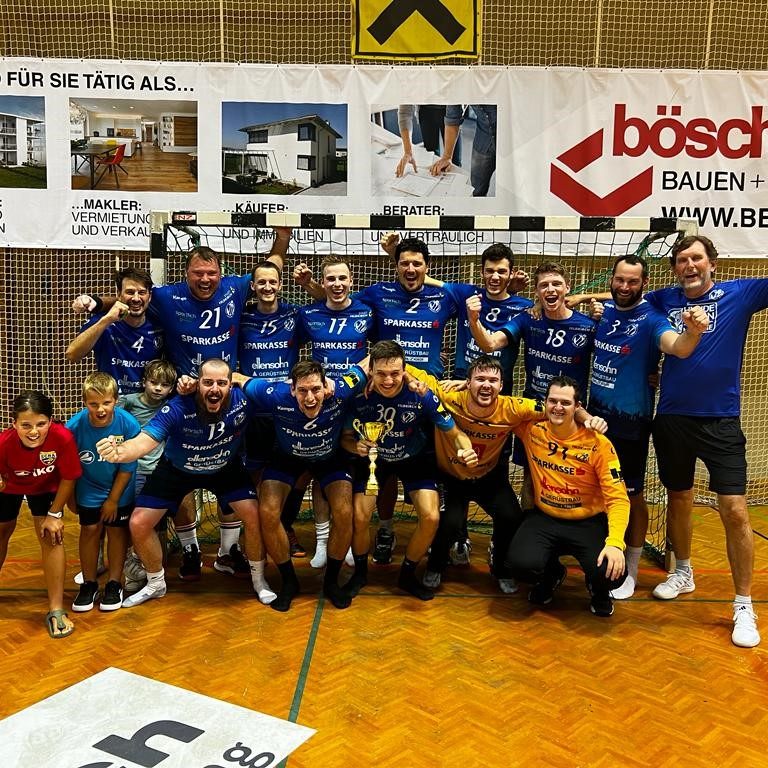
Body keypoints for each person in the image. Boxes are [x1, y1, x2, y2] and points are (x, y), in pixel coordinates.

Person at [74, 227, 292, 578]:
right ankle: (190, 549)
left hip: (227, 396)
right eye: (197, 273)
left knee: (230, 469)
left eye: (211, 273)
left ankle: (227, 550)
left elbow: (270, 265)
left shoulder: (236, 287)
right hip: (185, 397)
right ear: (186, 275)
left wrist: (281, 239)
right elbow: (133, 298)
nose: (205, 279)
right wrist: (94, 303)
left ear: (220, 274)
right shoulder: (168, 296)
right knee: (181, 469)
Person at [645, 234, 767, 648]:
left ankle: (743, 604)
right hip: (673, 418)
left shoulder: (742, 292)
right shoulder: (663, 300)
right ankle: (683, 571)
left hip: (721, 421)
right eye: (682, 260)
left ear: (712, 263)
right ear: (676, 268)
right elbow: (620, 299)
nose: (689, 265)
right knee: (678, 497)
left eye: (696, 258)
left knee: (734, 510)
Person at [406, 356, 608, 591]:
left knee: (511, 516)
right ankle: (436, 565)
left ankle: (500, 565)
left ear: (501, 386)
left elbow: (557, 406)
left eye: (493, 380)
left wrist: (588, 419)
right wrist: (368, 365)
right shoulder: (448, 395)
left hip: (488, 476)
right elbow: (409, 371)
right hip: (452, 477)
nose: (486, 385)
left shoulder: (512, 407)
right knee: (448, 521)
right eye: (480, 379)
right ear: (467, 382)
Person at [96, 358, 274, 608]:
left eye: (222, 383)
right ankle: (156, 583)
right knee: (138, 523)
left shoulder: (243, 401)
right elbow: (145, 441)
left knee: (254, 515)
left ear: (231, 385)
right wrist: (120, 452)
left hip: (225, 467)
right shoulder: (178, 407)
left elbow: (278, 394)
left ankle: (259, 580)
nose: (214, 389)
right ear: (197, 384)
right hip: (177, 469)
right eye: (208, 382)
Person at [586, 254, 709, 599]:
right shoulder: (605, 312)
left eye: (633, 282)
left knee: (632, 495)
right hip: (594, 418)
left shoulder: (652, 319)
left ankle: (632, 569)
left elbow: (678, 348)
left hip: (631, 423)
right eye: (620, 280)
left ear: (644, 284)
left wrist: (693, 332)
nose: (625, 287)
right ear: (611, 280)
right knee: (598, 490)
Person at [341, 341, 477, 601]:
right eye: (381, 374)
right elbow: (345, 437)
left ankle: (407, 574)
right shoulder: (359, 395)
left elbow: (455, 433)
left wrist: (466, 449)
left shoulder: (421, 393)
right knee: (358, 517)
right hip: (373, 460)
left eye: (395, 373)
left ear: (405, 371)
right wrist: (354, 445)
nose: (388, 380)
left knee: (431, 517)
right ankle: (360, 574)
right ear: (370, 372)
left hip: (415, 458)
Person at [237, 359, 368, 611]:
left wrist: (408, 378)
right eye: (303, 391)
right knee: (267, 512)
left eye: (316, 389)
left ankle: (331, 583)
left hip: (330, 458)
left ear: (325, 387)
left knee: (344, 511)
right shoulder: (273, 394)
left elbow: (372, 360)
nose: (310, 397)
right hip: (288, 457)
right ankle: (289, 582)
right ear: (292, 389)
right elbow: (237, 377)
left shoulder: (342, 387)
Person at [468, 262, 597, 512]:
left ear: (567, 288)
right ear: (536, 293)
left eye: (556, 284)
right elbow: (490, 344)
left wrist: (652, 373)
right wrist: (474, 320)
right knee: (531, 478)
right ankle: (530, 538)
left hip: (571, 416)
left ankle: (563, 533)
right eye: (544, 285)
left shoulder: (588, 326)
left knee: (570, 479)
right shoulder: (529, 319)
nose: (550, 289)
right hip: (534, 413)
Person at [505, 376, 630, 618]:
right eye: (553, 401)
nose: (558, 407)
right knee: (520, 565)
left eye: (565, 402)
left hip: (587, 521)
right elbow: (502, 408)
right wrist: (466, 386)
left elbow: (618, 499)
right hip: (546, 518)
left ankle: (599, 589)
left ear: (577, 407)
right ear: (545, 403)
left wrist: (615, 542)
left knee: (610, 572)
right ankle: (552, 574)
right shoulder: (532, 431)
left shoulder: (598, 444)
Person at [292, 254, 375, 567]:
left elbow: (379, 353)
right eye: (331, 279)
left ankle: (350, 538)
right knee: (320, 471)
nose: (337, 284)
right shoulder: (308, 313)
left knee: (355, 467)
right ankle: (323, 542)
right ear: (322, 282)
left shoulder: (367, 312)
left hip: (357, 402)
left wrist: (359, 379)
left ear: (352, 280)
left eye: (343, 278)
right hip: (320, 403)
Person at [0, 391, 82, 638]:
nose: (33, 432)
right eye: (25, 425)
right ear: (14, 424)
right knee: (2, 531)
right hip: (9, 487)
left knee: (50, 535)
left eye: (41, 424)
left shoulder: (63, 438)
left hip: (46, 488)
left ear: (51, 421)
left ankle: (56, 609)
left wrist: (54, 514)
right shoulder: (3, 444)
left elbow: (69, 477)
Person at [66, 372, 141, 613]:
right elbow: (68, 468)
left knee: (116, 532)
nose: (100, 409)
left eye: (106, 403)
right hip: (88, 487)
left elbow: (127, 468)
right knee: (89, 530)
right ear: (84, 403)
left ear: (115, 401)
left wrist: (113, 500)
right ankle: (89, 584)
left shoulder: (128, 424)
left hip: (120, 488)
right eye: (93, 404)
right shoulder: (74, 427)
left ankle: (114, 583)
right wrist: (70, 497)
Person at [118, 359, 178, 593]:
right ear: (144, 382)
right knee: (132, 519)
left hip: (160, 472)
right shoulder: (129, 403)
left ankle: (154, 566)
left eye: (164, 385)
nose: (157, 388)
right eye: (153, 382)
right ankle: (132, 565)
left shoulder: (171, 406)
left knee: (157, 522)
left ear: (171, 389)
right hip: (134, 472)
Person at [66, 266, 164, 396]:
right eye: (130, 292)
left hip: (148, 404)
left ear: (149, 296)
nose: (136, 298)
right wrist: (107, 320)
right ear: (118, 294)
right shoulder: (104, 321)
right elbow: (72, 355)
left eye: (141, 292)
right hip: (111, 402)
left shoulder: (159, 324)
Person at [429, 105, 497, 196]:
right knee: (476, 189)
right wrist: (446, 157)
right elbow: (453, 117)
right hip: (483, 140)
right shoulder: (456, 90)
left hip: (513, 140)